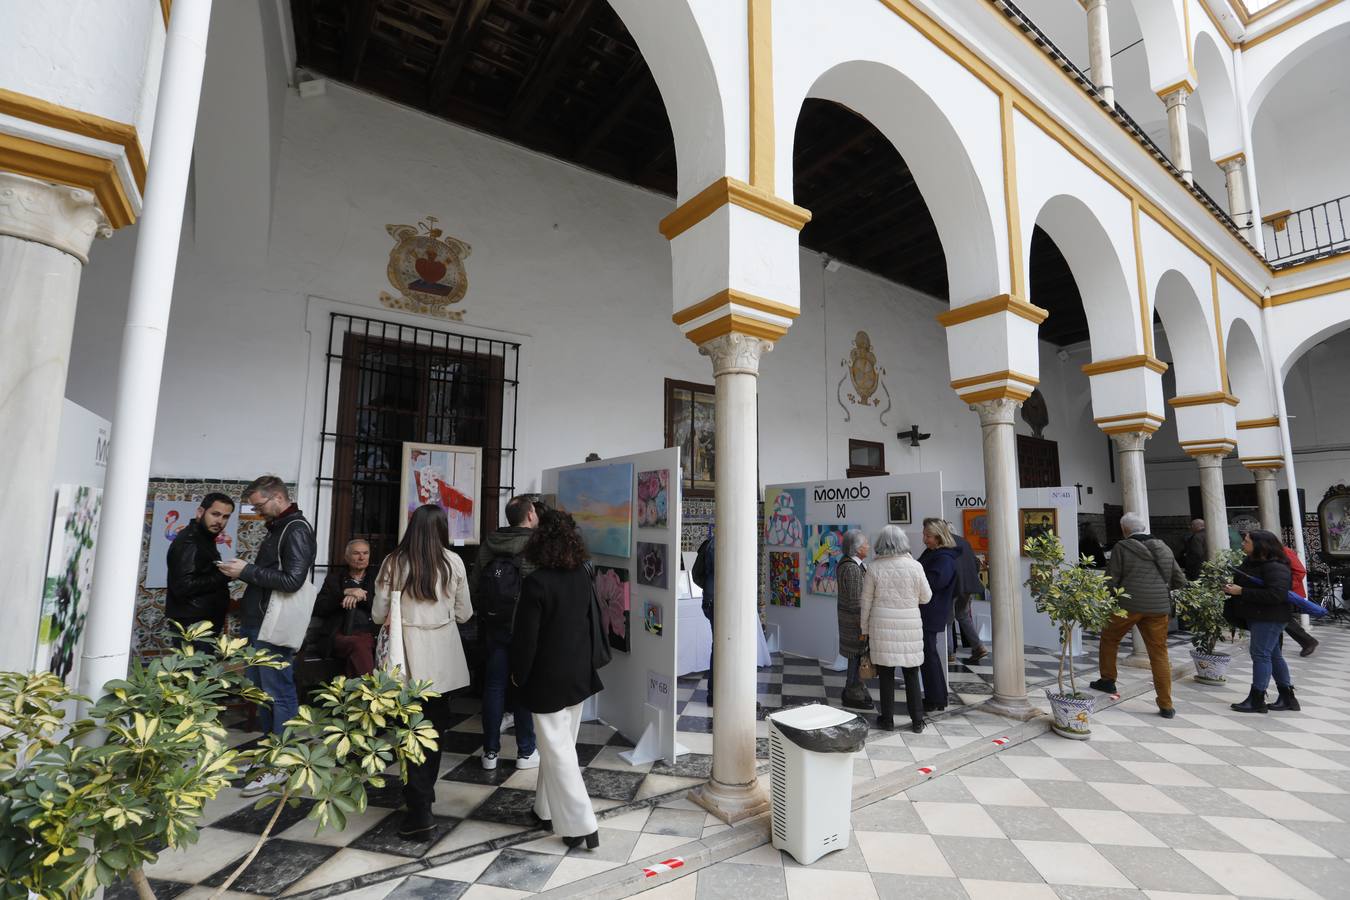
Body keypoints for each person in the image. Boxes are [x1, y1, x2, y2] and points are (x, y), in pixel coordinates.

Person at [372, 504, 474, 838]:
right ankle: (424, 797)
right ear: (443, 529)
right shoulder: (453, 562)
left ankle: (419, 809)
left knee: (408, 733)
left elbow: (377, 614)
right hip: (442, 660)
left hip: (406, 659)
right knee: (434, 732)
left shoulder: (393, 562)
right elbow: (465, 614)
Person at [218, 476, 316, 797]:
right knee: (262, 694)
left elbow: (292, 580)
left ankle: (281, 764)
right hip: (258, 622)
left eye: (260, 505)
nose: (258, 512)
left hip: (271, 626)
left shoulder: (296, 529)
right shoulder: (279, 527)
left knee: (279, 692)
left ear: (277, 497)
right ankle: (267, 756)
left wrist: (244, 571)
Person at [511, 510, 604, 849]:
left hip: (547, 678)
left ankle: (583, 825)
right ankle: (545, 808)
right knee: (560, 746)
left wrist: (517, 675)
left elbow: (525, 640)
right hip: (578, 674)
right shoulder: (581, 574)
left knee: (559, 750)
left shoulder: (536, 583)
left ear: (540, 543)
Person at [1090, 512, 1187, 718]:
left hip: (1128, 605)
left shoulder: (1122, 547)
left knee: (1109, 638)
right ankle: (1166, 704)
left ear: (1124, 529)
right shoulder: (1164, 547)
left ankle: (1108, 680)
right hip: (1158, 607)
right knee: (1159, 653)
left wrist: (1105, 599)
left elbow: (1112, 578)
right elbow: (1178, 579)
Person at [471, 495, 540, 771]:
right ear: (531, 515)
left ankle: (489, 753)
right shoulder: (535, 544)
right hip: (525, 626)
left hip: (495, 625)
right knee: (523, 686)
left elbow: (476, 583)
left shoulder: (491, 542)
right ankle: (525, 752)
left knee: (494, 686)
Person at [860, 525, 930, 733]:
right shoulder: (916, 566)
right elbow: (926, 597)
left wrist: (864, 628)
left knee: (886, 674)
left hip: (882, 626)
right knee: (911, 673)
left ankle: (887, 720)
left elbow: (866, 602)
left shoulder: (874, 567)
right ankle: (917, 720)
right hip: (909, 625)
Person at [1224, 530, 1298, 713]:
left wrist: (1241, 592)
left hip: (1270, 616)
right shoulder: (1253, 562)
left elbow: (1276, 594)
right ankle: (1287, 696)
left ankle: (1257, 698)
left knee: (1260, 655)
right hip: (1259, 615)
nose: (1243, 544)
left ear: (1260, 545)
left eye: (1246, 541)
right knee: (1272, 655)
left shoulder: (1275, 566)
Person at [164, 492, 235, 641]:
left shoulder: (204, 537)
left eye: (225, 517)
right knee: (193, 664)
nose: (220, 521)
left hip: (201, 621)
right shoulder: (190, 542)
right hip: (193, 624)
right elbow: (184, 586)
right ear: (200, 512)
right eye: (215, 514)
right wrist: (225, 575)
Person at [314, 539, 378, 676]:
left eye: (365, 553)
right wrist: (344, 594)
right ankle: (371, 691)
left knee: (361, 646)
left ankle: (357, 693)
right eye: (356, 553)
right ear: (346, 557)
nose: (361, 557)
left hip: (371, 632)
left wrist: (360, 596)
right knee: (358, 645)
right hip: (341, 633)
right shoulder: (334, 579)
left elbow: (382, 606)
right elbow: (319, 608)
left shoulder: (376, 578)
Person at [918, 520, 959, 711]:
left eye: (928, 535)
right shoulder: (934, 554)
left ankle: (936, 698)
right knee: (928, 655)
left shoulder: (944, 559)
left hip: (931, 611)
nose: (924, 539)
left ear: (939, 537)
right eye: (924, 534)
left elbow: (932, 584)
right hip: (927, 610)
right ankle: (937, 697)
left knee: (929, 655)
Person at [836, 530, 872, 710]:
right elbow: (855, 600)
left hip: (853, 621)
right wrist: (863, 626)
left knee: (856, 657)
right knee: (855, 656)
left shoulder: (852, 564)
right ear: (857, 549)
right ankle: (852, 691)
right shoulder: (851, 568)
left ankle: (854, 688)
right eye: (866, 544)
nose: (868, 546)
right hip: (854, 623)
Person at [944, 520, 988, 665]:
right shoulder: (964, 542)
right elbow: (975, 563)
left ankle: (949, 653)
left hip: (953, 587)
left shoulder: (945, 544)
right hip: (968, 586)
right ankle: (978, 646)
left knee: (948, 620)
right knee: (963, 616)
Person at [1282, 546, 1318, 657]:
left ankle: (1308, 641)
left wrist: (1286, 586)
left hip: (1288, 591)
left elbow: (1300, 571)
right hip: (1279, 591)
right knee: (1282, 618)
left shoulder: (1284, 551)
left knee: (1283, 618)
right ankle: (1307, 641)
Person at [692, 526, 714, 701]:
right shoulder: (730, 547)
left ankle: (713, 692)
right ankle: (715, 693)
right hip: (719, 601)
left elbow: (696, 575)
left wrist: (708, 589)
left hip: (710, 600)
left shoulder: (708, 545)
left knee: (719, 645)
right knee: (723, 646)